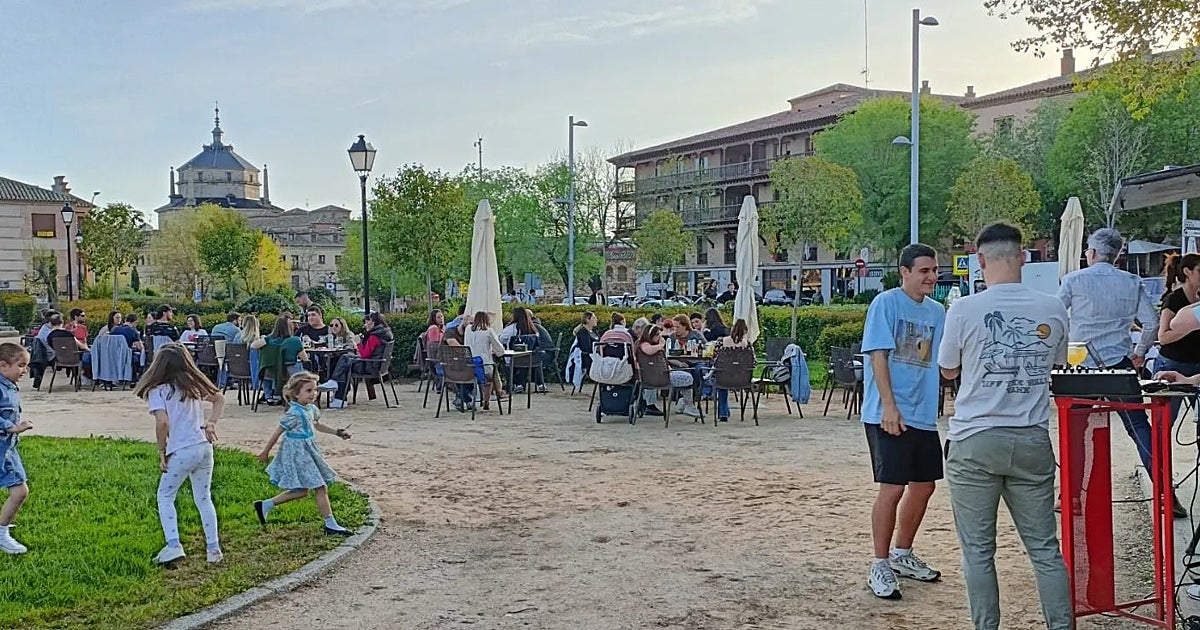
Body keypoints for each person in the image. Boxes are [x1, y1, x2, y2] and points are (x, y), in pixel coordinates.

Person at [937, 223, 1072, 629]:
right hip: (1030, 437)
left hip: (975, 439)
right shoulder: (1052, 307)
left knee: (978, 551)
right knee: (1045, 550)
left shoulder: (963, 309)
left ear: (980, 261)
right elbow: (1058, 363)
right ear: (1024, 258)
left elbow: (947, 370)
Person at [1056, 228, 1178, 515]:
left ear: (1093, 252)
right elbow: (1150, 323)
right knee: (1138, 427)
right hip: (1120, 365)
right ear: (1117, 254)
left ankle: (1071, 496)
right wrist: (1138, 354)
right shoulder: (1132, 281)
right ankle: (1166, 494)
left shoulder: (1073, 280)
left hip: (1080, 364)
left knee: (1075, 431)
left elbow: (1056, 317)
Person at [861, 243, 945, 600]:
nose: (931, 277)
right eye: (924, 270)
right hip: (888, 412)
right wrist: (889, 406)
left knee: (924, 486)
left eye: (934, 270)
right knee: (892, 488)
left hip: (923, 413)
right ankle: (879, 564)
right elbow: (878, 357)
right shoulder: (886, 303)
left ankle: (902, 554)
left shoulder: (939, 311)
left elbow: (946, 362)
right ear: (905, 272)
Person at [134, 343, 225, 565]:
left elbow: (162, 422)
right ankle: (213, 548)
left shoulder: (158, 391)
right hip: (203, 447)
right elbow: (219, 398)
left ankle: (173, 544)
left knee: (165, 496)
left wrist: (161, 450)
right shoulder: (192, 385)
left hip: (182, 449)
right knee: (204, 498)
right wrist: (211, 422)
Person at [254, 371, 353, 535]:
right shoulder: (293, 413)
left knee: (302, 491)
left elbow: (317, 425)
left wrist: (337, 432)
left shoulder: (311, 409)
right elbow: (278, 432)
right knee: (320, 486)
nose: (313, 394)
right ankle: (330, 524)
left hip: (309, 451)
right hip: (298, 454)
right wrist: (265, 452)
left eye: (314, 390)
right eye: (308, 391)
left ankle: (265, 505)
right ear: (295, 394)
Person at [1154, 253, 1200, 425]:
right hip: (1173, 361)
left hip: (1196, 363)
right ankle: (1158, 453)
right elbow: (1163, 336)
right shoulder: (1174, 299)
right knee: (1165, 421)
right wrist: (1190, 328)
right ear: (1188, 272)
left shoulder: (1197, 299)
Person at [320, 313, 394, 410]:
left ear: (373, 322)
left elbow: (364, 355)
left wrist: (358, 343)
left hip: (371, 366)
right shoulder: (384, 334)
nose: (365, 324)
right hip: (379, 365)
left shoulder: (374, 337)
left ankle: (337, 392)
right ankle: (338, 397)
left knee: (345, 361)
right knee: (346, 360)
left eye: (367, 322)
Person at [0, 343, 33, 554]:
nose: (24, 371)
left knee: (20, 491)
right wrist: (11, 427)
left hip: (9, 449)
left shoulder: (8, 386)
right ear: (3, 365)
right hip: (3, 447)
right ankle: (1, 532)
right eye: (20, 365)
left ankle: (2, 529)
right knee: (19, 491)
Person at [636, 325, 703, 418]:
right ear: (651, 335)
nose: (659, 337)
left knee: (686, 375)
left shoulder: (644, 345)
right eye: (657, 335)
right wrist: (661, 345)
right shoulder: (645, 345)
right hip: (660, 377)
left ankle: (684, 402)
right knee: (688, 377)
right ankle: (688, 405)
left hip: (655, 376)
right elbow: (648, 350)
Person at [499, 307, 553, 393]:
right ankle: (540, 384)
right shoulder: (533, 328)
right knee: (528, 358)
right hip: (534, 359)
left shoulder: (511, 328)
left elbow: (501, 339)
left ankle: (517, 384)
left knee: (509, 361)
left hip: (516, 360)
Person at [463, 311, 506, 412]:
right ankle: (488, 399)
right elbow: (500, 350)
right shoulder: (489, 331)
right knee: (490, 375)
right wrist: (493, 351)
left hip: (469, 365)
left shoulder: (468, 329)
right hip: (483, 364)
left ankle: (498, 392)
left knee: (490, 370)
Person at [262, 316, 308, 405]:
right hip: (289, 374)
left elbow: (254, 345)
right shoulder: (294, 341)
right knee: (302, 364)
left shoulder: (268, 340)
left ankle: (269, 396)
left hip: (270, 373)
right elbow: (305, 359)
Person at [713, 319, 750, 422]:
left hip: (724, 378)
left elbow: (715, 359)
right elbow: (753, 362)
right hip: (742, 379)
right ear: (745, 332)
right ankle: (726, 411)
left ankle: (723, 413)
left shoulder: (721, 341)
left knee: (721, 381)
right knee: (724, 377)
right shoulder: (747, 345)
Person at [47, 312, 92, 382]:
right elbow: (81, 346)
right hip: (75, 358)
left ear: (50, 323)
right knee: (90, 356)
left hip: (59, 359)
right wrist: (89, 350)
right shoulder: (68, 334)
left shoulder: (49, 336)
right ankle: (89, 378)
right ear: (62, 322)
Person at [573, 311, 599, 376]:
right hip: (588, 358)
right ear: (587, 319)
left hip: (596, 355)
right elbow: (586, 348)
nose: (596, 319)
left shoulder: (594, 331)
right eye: (594, 318)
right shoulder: (583, 332)